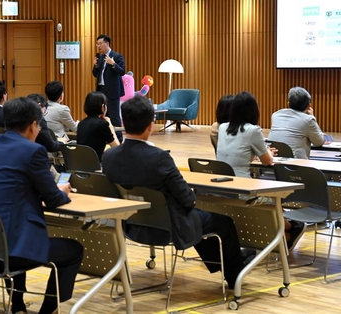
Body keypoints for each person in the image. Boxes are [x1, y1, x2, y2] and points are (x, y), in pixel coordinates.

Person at [102, 95, 252, 289]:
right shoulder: (159, 158)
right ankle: (235, 276)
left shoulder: (109, 157)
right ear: (150, 125)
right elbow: (188, 200)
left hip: (131, 226)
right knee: (221, 222)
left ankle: (233, 262)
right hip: (168, 228)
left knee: (199, 219)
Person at [0, 97, 83, 314]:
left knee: (12, 233)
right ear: (33, 125)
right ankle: (48, 309)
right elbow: (53, 199)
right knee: (73, 250)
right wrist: (61, 191)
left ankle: (18, 306)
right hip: (8, 254)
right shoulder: (33, 151)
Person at [216, 91, 305, 250]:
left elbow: (236, 153)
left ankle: (290, 229)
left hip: (223, 188)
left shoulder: (222, 127)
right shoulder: (253, 130)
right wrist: (268, 151)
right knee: (274, 202)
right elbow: (268, 161)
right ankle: (291, 228)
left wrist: (256, 152)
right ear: (253, 110)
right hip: (244, 190)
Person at [267, 86, 326, 159]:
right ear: (309, 106)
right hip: (296, 165)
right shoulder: (308, 120)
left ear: (288, 103)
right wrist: (313, 117)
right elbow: (319, 142)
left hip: (274, 162)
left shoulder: (275, 115)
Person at [92, 34, 125, 143]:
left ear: (107, 43)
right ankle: (105, 140)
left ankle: (119, 141)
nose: (98, 46)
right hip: (101, 91)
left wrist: (113, 64)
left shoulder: (117, 56)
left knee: (114, 117)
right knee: (102, 117)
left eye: (100, 43)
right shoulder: (100, 57)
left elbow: (122, 71)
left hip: (112, 92)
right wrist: (95, 65)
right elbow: (95, 74)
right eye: (97, 44)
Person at [77, 91, 119, 161]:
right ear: (103, 107)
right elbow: (117, 147)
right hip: (97, 165)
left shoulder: (81, 123)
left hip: (81, 165)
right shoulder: (102, 124)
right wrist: (110, 125)